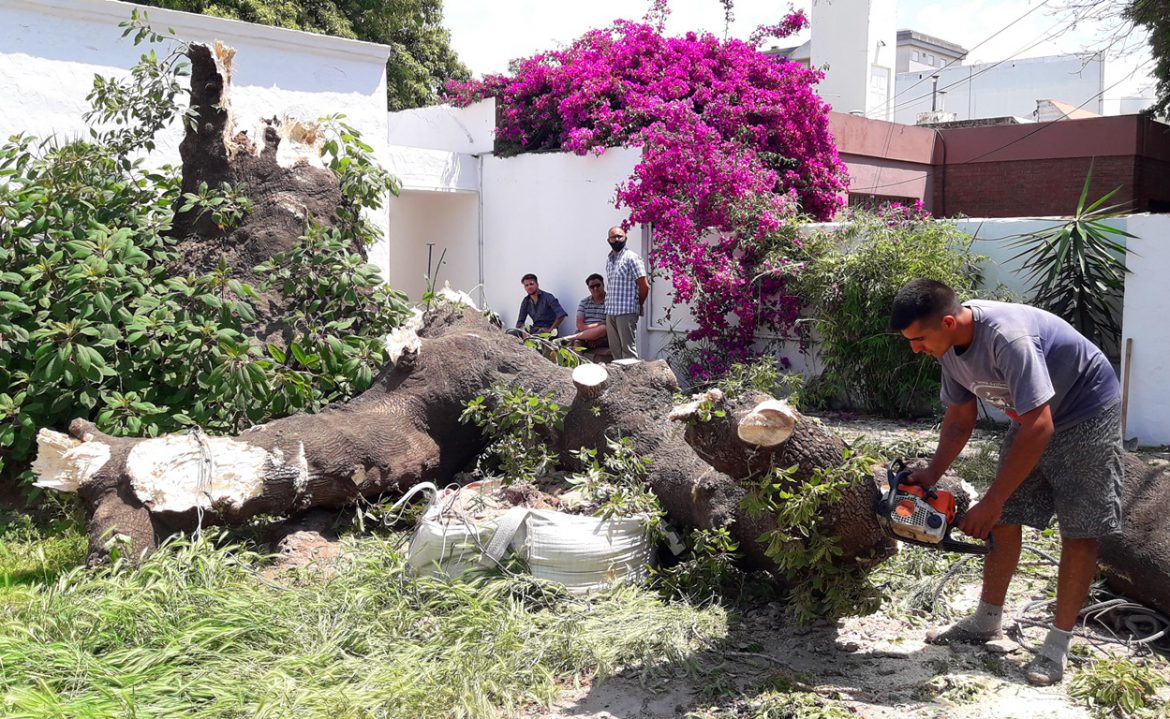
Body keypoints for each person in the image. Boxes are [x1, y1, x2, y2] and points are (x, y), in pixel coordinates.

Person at [889, 278, 1122, 687]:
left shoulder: (1006, 338)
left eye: (920, 338)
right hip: (1033, 419)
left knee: (1080, 529)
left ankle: (1056, 647)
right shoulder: (947, 348)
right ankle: (986, 620)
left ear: (947, 321)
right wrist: (930, 474)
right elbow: (960, 420)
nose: (915, 348)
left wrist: (993, 499)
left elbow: (1041, 423)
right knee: (1005, 517)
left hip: (1086, 410)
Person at [604, 226, 649, 360]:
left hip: (626, 311)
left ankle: (635, 380)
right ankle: (620, 379)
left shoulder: (632, 258)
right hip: (611, 311)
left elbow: (644, 285)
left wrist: (637, 304)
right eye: (613, 237)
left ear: (625, 238)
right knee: (615, 350)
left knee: (628, 351)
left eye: (620, 236)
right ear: (608, 240)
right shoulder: (609, 260)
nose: (617, 239)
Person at [559, 273, 609, 349]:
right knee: (578, 342)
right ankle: (578, 360)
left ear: (603, 285)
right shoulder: (584, 302)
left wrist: (591, 331)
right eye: (592, 287)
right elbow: (579, 325)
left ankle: (569, 338)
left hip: (602, 335)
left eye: (597, 285)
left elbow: (608, 323)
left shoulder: (610, 301)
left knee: (603, 328)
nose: (595, 288)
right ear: (588, 288)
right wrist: (589, 334)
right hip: (583, 334)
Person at [514, 273, 567, 337]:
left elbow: (561, 315)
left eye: (531, 284)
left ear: (537, 285)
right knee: (512, 333)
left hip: (548, 332)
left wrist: (550, 329)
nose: (529, 287)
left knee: (536, 336)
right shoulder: (526, 301)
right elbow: (520, 322)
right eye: (526, 285)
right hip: (535, 330)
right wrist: (522, 331)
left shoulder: (548, 297)